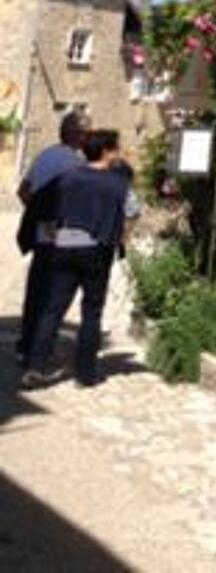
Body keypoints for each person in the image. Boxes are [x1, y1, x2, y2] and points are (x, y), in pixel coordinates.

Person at [22, 129, 128, 389]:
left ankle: (35, 366)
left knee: (53, 308)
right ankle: (84, 374)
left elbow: (38, 203)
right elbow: (132, 211)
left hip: (65, 246)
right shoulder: (117, 182)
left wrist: (50, 235)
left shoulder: (67, 178)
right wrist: (122, 235)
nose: (118, 153)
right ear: (105, 151)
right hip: (97, 249)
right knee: (91, 312)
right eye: (115, 148)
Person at [15, 109, 91, 362]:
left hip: (41, 231)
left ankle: (25, 344)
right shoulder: (77, 163)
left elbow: (23, 191)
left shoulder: (44, 156)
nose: (88, 137)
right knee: (54, 294)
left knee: (36, 288)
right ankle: (40, 349)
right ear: (76, 135)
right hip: (63, 234)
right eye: (86, 133)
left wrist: (38, 215)